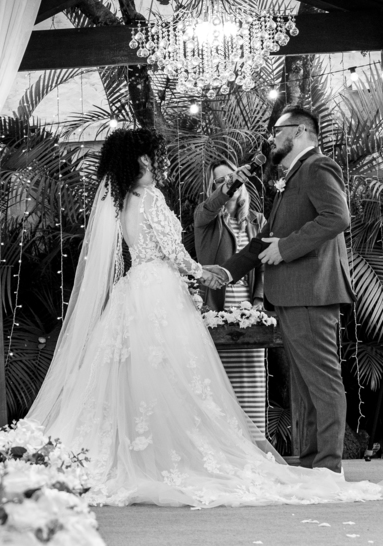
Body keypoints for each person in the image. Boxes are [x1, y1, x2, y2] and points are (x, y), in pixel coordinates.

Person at [27, 127, 380, 507]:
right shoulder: (151, 198)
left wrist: (212, 270)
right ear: (137, 163)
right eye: (148, 160)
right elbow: (174, 253)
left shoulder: (120, 202)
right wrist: (202, 271)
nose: (154, 166)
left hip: (134, 291)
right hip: (160, 290)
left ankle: (142, 452)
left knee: (137, 375)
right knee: (174, 374)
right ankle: (170, 453)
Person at [209, 107, 356, 473]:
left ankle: (328, 468)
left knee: (321, 381)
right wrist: (225, 274)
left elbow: (337, 217)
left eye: (277, 131)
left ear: (302, 131)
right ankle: (311, 466)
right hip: (293, 294)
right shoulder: (292, 176)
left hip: (312, 291)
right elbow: (263, 240)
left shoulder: (318, 167)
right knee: (304, 386)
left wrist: (286, 247)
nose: (271, 138)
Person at [193, 159, 273, 456]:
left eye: (234, 178)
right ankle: (222, 455)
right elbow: (210, 206)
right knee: (216, 387)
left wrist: (258, 301)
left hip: (249, 315)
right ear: (214, 188)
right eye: (221, 181)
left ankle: (256, 453)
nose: (230, 184)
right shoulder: (205, 219)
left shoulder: (258, 221)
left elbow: (264, 265)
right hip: (215, 315)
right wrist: (229, 185)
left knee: (251, 385)